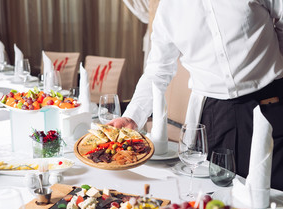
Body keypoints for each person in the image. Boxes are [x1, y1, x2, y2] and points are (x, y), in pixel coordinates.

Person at [110, 0, 283, 191]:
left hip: (270, 102)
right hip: (214, 115)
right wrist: (132, 115)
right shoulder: (169, 9)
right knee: (221, 194)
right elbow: (157, 70)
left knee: (276, 190)